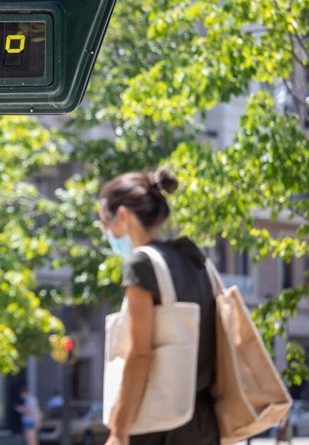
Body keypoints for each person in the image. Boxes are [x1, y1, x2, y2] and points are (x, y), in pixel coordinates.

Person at [98, 168, 218, 445]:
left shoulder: (142, 265)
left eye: (106, 223)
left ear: (124, 216)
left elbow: (140, 353)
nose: (107, 233)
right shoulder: (194, 259)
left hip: (159, 425)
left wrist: (119, 429)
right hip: (204, 422)